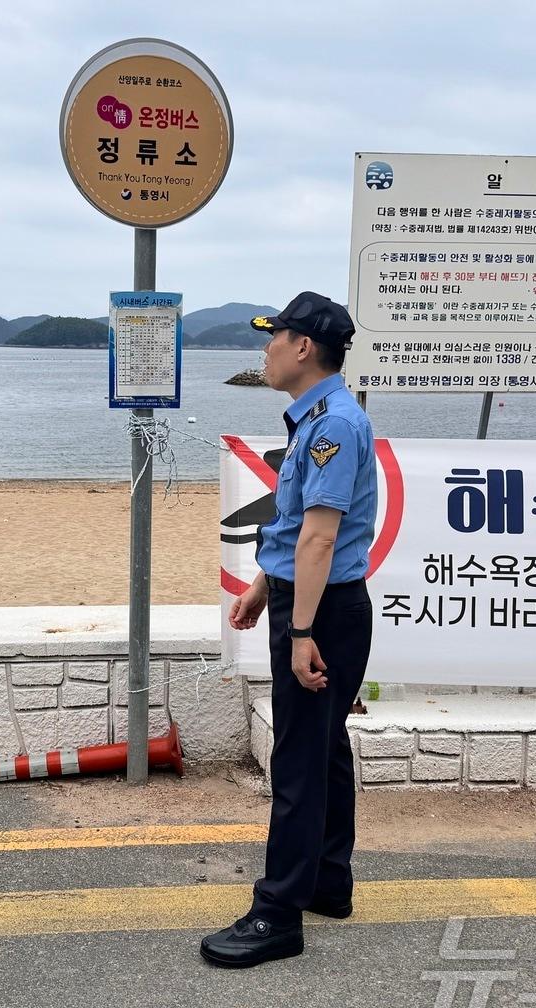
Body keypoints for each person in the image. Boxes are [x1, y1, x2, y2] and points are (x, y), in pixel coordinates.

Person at [200, 291, 376, 968]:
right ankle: (327, 881)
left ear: (304, 347)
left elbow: (319, 540)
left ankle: (276, 914)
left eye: (274, 338)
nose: (265, 350)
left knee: (298, 759)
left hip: (322, 610)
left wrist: (300, 630)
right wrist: (260, 587)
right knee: (322, 747)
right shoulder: (322, 419)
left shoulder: (333, 426)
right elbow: (298, 531)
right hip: (317, 602)